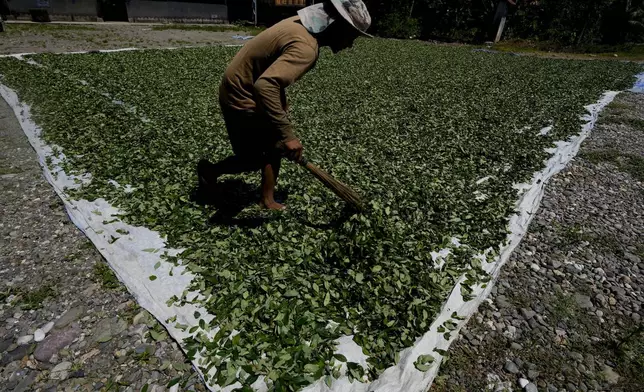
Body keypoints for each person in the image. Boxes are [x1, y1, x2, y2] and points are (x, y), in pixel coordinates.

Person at [198, 0, 372, 210]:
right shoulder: (306, 48)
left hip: (244, 84)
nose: (350, 45)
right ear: (338, 27)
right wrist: (288, 135)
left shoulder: (296, 24)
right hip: (241, 93)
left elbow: (268, 71)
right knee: (254, 158)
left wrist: (281, 112)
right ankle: (210, 171)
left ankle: (267, 199)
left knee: (273, 146)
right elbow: (265, 85)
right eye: (351, 36)